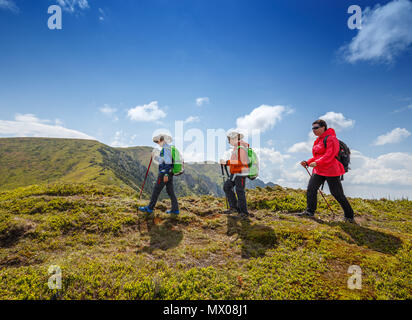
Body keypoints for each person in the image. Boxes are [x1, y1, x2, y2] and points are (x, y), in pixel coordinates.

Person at [299, 119, 355, 223]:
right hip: (319, 170)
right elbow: (317, 156)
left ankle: (349, 216)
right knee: (311, 188)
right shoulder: (318, 140)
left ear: (323, 127)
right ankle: (309, 212)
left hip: (331, 170)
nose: (313, 130)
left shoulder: (331, 139)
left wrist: (317, 162)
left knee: (337, 193)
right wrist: (307, 162)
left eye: (316, 128)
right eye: (312, 128)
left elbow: (330, 154)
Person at [139, 134, 179, 214]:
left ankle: (150, 208)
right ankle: (175, 209)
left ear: (162, 140)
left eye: (158, 141)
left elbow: (168, 162)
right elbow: (162, 160)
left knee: (156, 190)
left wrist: (166, 174)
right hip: (169, 172)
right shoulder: (166, 148)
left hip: (164, 173)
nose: (157, 143)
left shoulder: (166, 149)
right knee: (170, 191)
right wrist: (155, 156)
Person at [219, 131, 250, 218]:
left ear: (234, 138)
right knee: (227, 187)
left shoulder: (241, 147)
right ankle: (234, 208)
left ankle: (244, 212)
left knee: (240, 191)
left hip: (240, 173)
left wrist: (227, 162)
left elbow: (242, 162)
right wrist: (227, 163)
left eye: (229, 139)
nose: (228, 141)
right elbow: (236, 161)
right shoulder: (237, 148)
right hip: (235, 173)